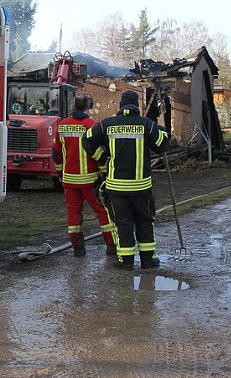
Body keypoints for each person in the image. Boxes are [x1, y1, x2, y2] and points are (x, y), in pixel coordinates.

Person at [82, 91, 169, 270]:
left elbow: (86, 140)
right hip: (141, 188)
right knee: (145, 221)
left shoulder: (106, 124)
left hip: (116, 188)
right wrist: (162, 131)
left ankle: (126, 261)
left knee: (123, 223)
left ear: (120, 105)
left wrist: (102, 156)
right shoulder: (147, 124)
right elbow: (162, 146)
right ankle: (148, 260)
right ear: (137, 106)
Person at [52, 94, 116, 257]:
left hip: (69, 180)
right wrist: (104, 174)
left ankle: (78, 249)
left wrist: (60, 174)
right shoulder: (92, 125)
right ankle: (111, 246)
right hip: (90, 180)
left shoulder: (62, 125)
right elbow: (100, 154)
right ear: (88, 107)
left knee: (73, 214)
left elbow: (56, 153)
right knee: (103, 212)